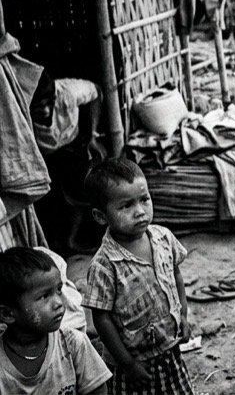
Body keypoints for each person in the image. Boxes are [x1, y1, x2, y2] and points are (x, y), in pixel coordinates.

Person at [81, 158, 194, 395]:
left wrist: (183, 315)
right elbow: (101, 319)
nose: (140, 211)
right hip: (133, 363)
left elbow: (175, 274)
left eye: (144, 200)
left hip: (169, 350)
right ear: (101, 216)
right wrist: (128, 363)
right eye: (126, 206)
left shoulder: (163, 238)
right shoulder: (104, 265)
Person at [0, 247, 110, 394]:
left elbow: (98, 390)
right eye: (44, 296)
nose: (59, 302)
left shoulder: (72, 344)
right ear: (8, 314)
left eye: (58, 290)